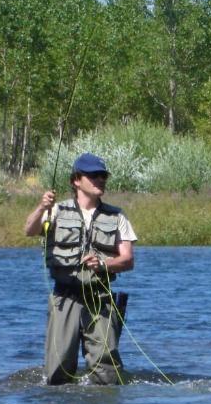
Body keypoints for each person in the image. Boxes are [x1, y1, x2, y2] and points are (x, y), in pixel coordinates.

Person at [24, 152, 137, 385]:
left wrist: (103, 263)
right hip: (64, 297)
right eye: (94, 175)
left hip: (100, 297)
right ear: (77, 180)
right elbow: (30, 230)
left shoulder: (117, 216)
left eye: (103, 176)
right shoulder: (56, 211)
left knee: (108, 372)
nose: (100, 180)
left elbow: (127, 260)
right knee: (58, 371)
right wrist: (41, 207)